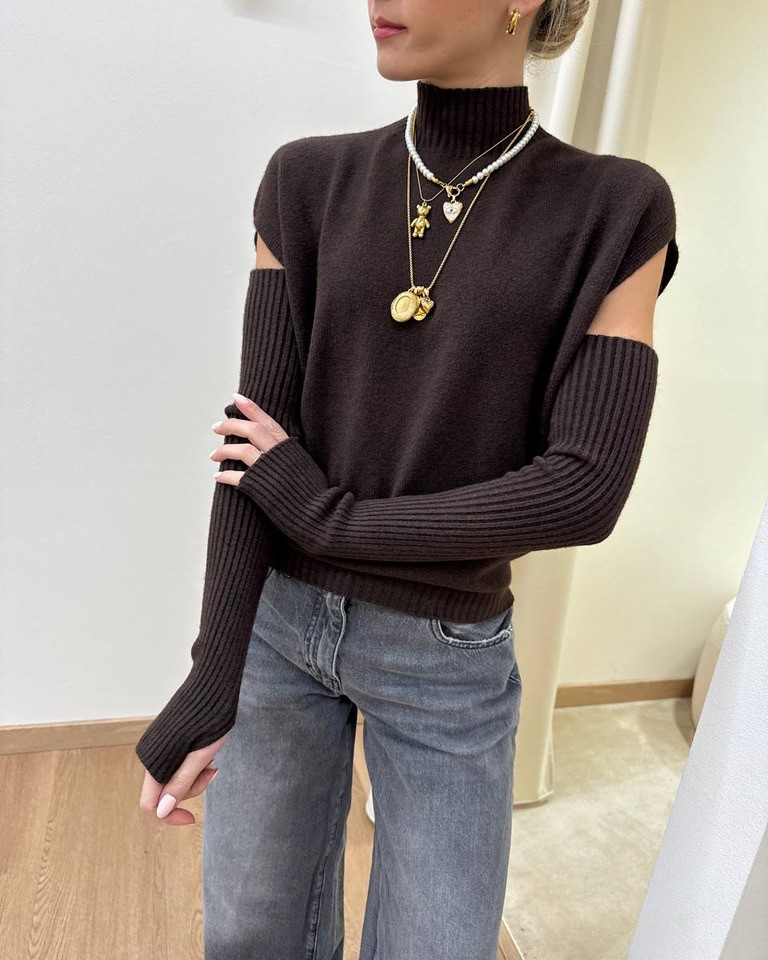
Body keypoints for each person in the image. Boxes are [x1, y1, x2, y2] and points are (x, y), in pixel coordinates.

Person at [136, 1, 679, 957]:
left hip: (446, 655)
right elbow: (253, 450)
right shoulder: (306, 181)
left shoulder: (617, 208)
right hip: (278, 629)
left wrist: (329, 519)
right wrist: (212, 669)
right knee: (251, 934)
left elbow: (584, 489)